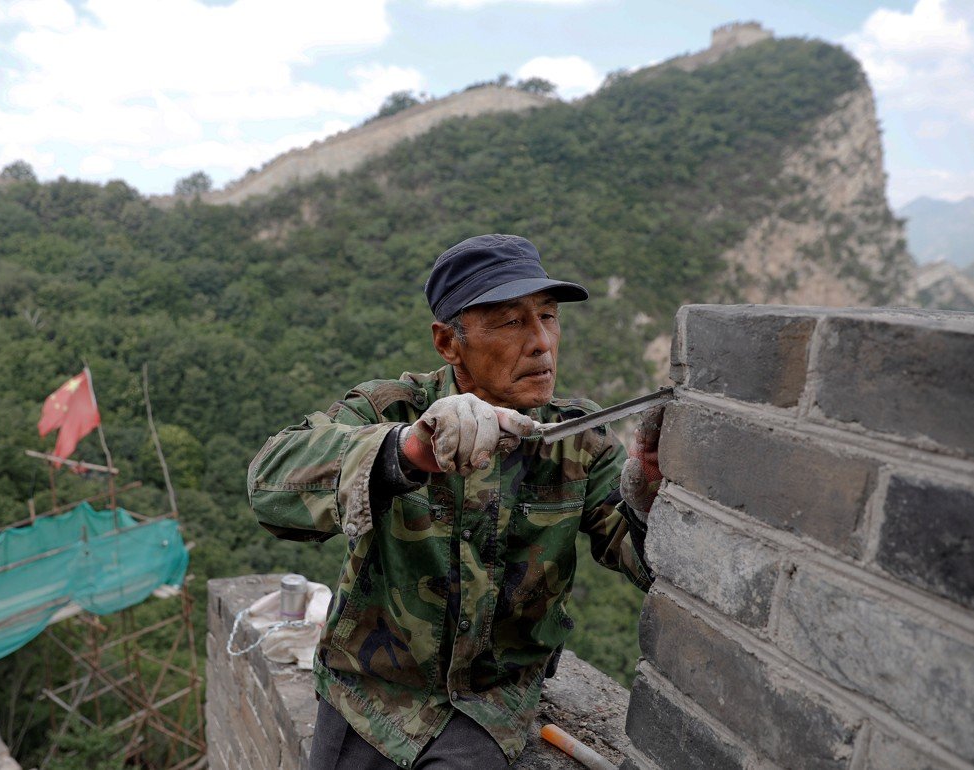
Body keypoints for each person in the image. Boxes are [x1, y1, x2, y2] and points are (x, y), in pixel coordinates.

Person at [248, 234, 663, 769]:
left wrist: (650, 490)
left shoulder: (575, 438)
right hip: (369, 695)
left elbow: (648, 561)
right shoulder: (391, 409)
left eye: (548, 317)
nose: (541, 343)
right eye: (511, 322)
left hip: (487, 705)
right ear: (448, 342)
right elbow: (270, 484)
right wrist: (409, 450)